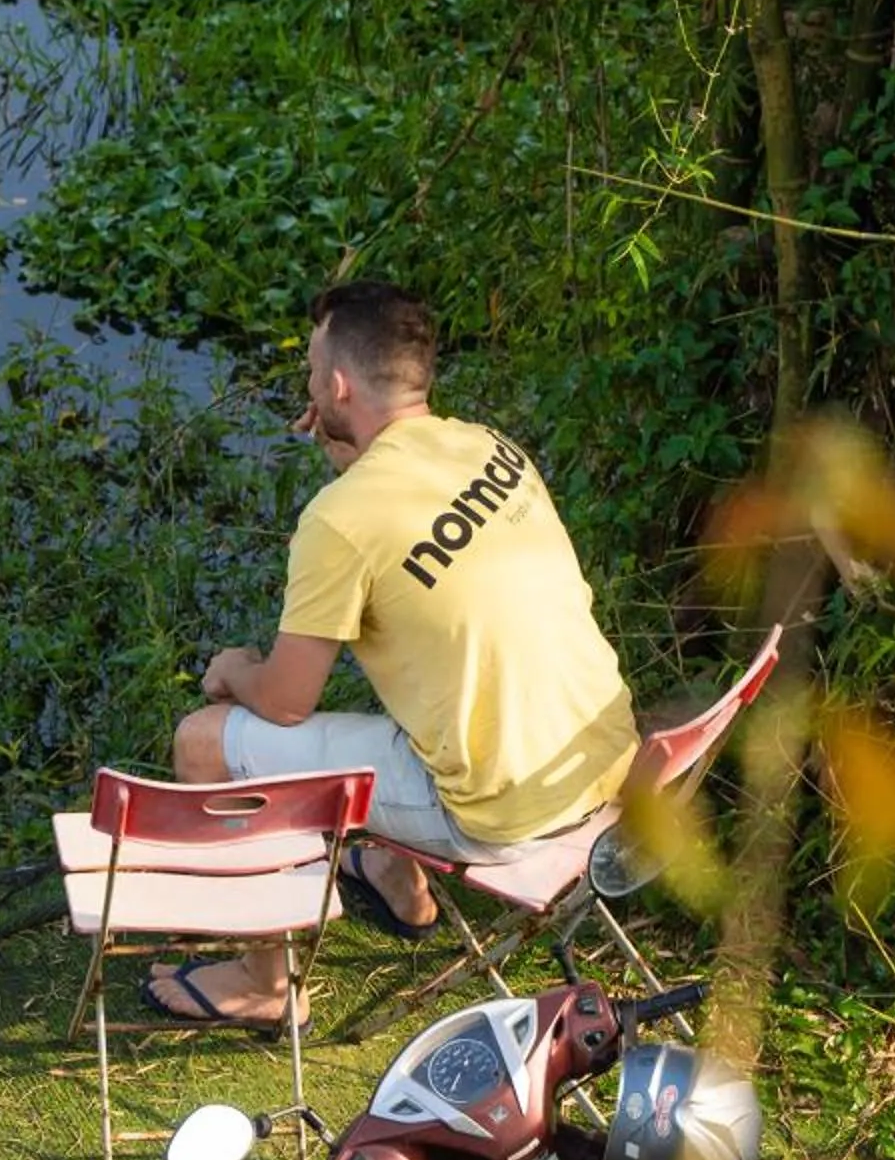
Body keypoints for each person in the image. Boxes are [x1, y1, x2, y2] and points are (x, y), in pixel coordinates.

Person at [146, 281, 637, 1029]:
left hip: (506, 814)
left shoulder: (340, 520)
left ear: (337, 385)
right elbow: (405, 555)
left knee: (206, 743)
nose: (310, 387)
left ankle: (263, 985)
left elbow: (285, 700)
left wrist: (232, 667)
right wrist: (349, 459)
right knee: (425, 666)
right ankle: (397, 883)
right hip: (605, 768)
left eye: (313, 370)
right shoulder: (488, 447)